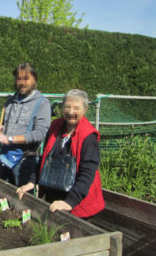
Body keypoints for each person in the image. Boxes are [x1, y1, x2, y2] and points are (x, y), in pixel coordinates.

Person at [38, 89, 105, 218]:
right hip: (55, 197)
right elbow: (45, 158)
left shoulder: (88, 136)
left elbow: (87, 173)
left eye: (76, 108)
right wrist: (31, 181)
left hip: (78, 203)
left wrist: (70, 202)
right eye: (67, 106)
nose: (71, 112)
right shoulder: (55, 126)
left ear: (85, 109)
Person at [0, 62, 51, 200]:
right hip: (5, 156)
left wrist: (9, 139)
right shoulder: (10, 101)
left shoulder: (42, 103)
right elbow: (5, 127)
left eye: (26, 78)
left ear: (34, 79)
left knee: (23, 202)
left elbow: (40, 133)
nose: (22, 83)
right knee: (1, 197)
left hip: (25, 161)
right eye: (19, 78)